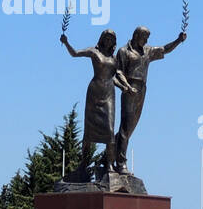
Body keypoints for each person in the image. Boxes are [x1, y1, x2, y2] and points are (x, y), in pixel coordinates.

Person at [60, 30, 134, 180]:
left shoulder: (113, 58)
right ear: (102, 38)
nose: (108, 40)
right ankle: (84, 164)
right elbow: (75, 53)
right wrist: (66, 42)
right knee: (89, 133)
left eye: (111, 39)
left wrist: (124, 87)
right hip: (94, 93)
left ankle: (109, 165)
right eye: (106, 38)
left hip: (109, 94)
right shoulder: (94, 52)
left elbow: (114, 77)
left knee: (109, 130)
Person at [112, 26, 186, 172]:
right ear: (136, 35)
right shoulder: (123, 51)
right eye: (144, 37)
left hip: (142, 89)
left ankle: (106, 156)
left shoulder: (147, 51)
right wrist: (126, 87)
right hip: (129, 88)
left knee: (131, 128)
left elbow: (165, 49)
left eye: (147, 38)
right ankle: (121, 163)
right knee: (126, 127)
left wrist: (178, 40)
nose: (146, 41)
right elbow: (118, 72)